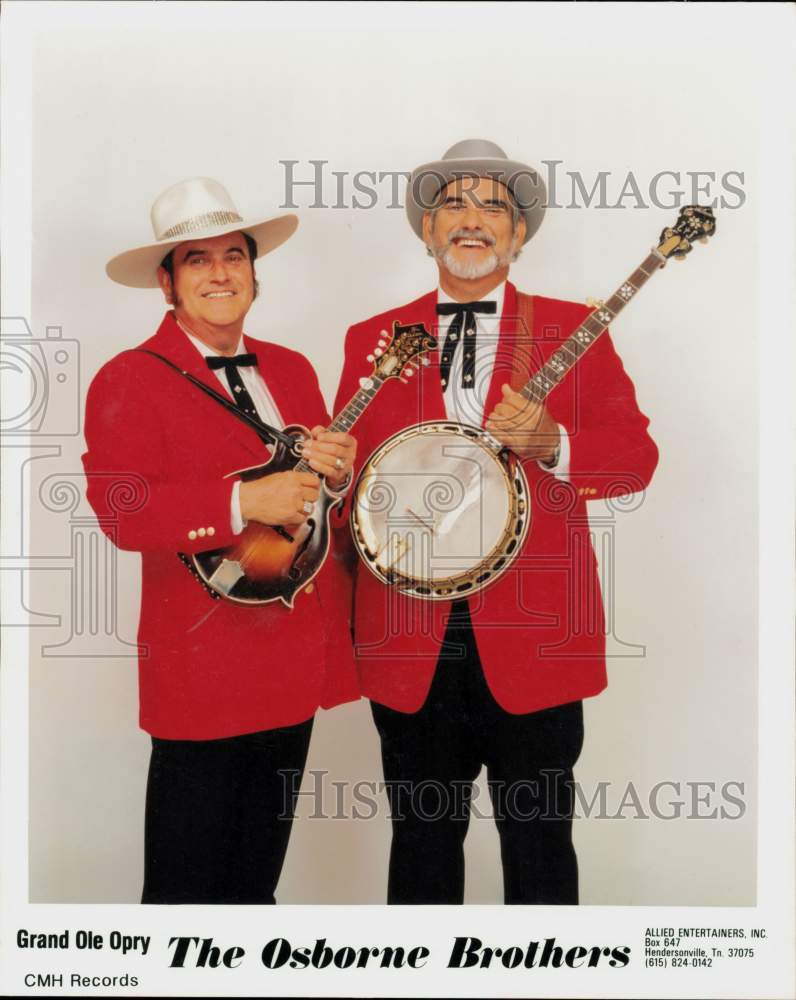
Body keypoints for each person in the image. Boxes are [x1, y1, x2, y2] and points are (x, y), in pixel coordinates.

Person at [334, 140, 659, 904]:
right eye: (453, 202)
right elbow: (355, 489)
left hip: (536, 636)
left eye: (494, 207)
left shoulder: (575, 330)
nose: (472, 219)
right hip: (410, 639)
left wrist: (553, 443)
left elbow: (636, 460)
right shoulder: (369, 339)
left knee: (540, 844)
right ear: (426, 230)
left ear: (518, 237)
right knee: (420, 844)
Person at [83, 176, 359, 904]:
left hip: (292, 666)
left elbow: (315, 516)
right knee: (182, 897)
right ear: (166, 283)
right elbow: (120, 510)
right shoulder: (127, 378)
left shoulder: (294, 370)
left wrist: (338, 477)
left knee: (253, 891)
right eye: (197, 260)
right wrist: (241, 499)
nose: (220, 273)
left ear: (253, 273)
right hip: (198, 675)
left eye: (233, 256)